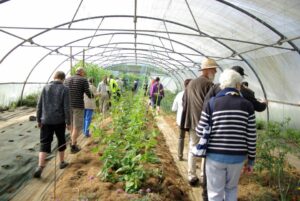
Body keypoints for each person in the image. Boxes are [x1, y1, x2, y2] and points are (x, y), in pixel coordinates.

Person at [196, 69, 257, 201]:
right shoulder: (247, 106)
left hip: (214, 157)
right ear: (238, 86)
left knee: (215, 194)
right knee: (231, 189)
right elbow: (251, 136)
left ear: (222, 85)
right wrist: (251, 160)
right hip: (237, 159)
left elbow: (200, 130)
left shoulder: (212, 103)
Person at [181, 58, 218, 187]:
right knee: (206, 148)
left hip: (191, 120)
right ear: (207, 70)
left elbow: (184, 101)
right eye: (214, 69)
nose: (216, 71)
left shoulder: (191, 83)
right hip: (203, 122)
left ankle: (191, 175)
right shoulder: (209, 85)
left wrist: (186, 118)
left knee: (193, 147)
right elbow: (212, 105)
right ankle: (203, 175)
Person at [34, 71, 70, 178]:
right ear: (63, 79)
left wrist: (38, 120)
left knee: (44, 142)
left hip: (46, 120)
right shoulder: (65, 89)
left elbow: (39, 105)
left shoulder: (45, 88)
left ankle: (40, 166)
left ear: (54, 77)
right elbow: (66, 108)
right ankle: (62, 162)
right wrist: (68, 122)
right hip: (59, 121)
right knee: (61, 140)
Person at [64, 67, 92, 154]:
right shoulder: (83, 80)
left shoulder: (67, 79)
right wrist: (93, 95)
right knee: (77, 126)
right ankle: (73, 146)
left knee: (71, 124)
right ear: (82, 72)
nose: (84, 74)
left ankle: (73, 141)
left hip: (68, 106)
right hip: (78, 105)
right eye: (84, 72)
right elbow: (88, 93)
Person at [171, 79, 192, 161]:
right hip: (191, 121)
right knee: (191, 140)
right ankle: (191, 157)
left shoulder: (179, 94)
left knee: (181, 137)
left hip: (181, 121)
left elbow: (173, 108)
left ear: (184, 85)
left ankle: (180, 155)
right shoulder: (194, 95)